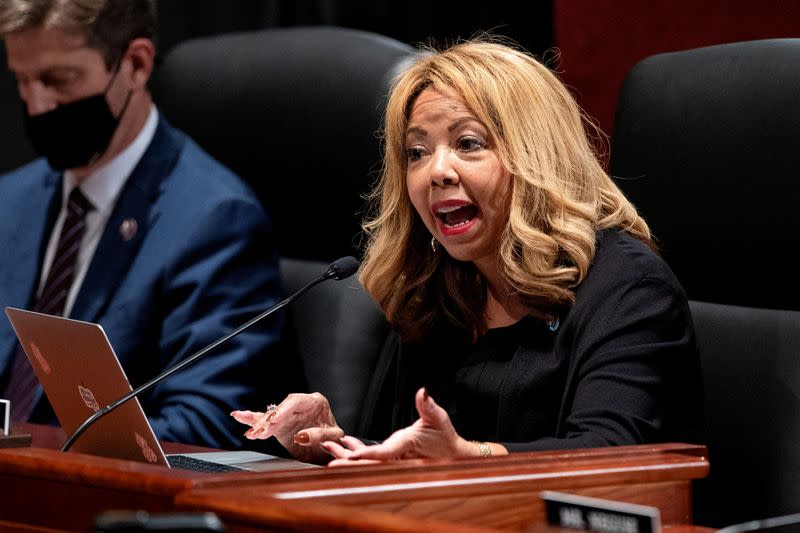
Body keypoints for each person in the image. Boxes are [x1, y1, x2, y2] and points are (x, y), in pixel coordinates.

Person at [232, 39, 703, 464]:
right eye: (417, 152)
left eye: (468, 144)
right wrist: (337, 446)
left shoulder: (629, 289)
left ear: (535, 155)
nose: (437, 171)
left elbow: (613, 455)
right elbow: (414, 452)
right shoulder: (436, 287)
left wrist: (466, 456)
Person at [0, 0, 297, 449]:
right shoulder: (9, 199)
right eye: (22, 81)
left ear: (136, 65)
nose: (38, 105)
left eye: (58, 80)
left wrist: (30, 451)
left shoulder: (215, 221)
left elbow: (205, 425)